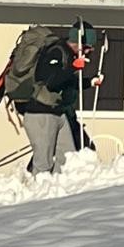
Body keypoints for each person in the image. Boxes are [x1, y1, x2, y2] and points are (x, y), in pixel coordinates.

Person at [19, 22, 98, 175]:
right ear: (78, 43)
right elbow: (51, 81)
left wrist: (90, 82)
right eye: (88, 48)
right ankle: (39, 194)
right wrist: (74, 67)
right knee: (44, 163)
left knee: (67, 159)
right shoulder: (56, 52)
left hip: (58, 113)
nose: (90, 51)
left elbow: (68, 82)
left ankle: (59, 193)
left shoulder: (69, 56)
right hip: (40, 113)